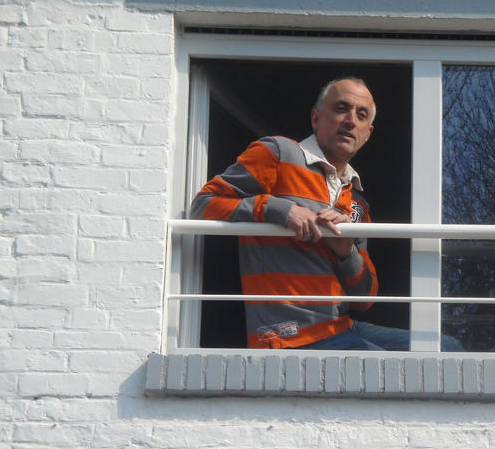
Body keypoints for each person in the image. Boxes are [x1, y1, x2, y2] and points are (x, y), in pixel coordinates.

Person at [191, 76, 460, 351]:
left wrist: (345, 253)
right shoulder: (278, 153)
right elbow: (202, 207)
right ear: (316, 117)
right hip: (289, 334)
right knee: (385, 369)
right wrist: (279, 209)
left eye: (361, 115)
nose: (350, 120)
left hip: (341, 327)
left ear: (368, 133)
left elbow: (365, 299)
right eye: (342, 108)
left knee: (448, 348)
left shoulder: (357, 202)